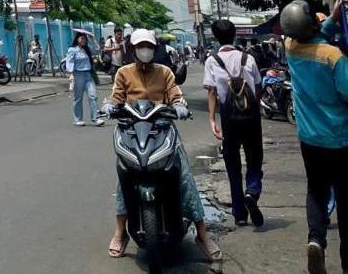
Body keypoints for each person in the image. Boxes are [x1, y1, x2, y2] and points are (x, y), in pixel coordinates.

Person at [107, 28, 221, 261]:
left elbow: (175, 95)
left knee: (185, 176)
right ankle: (120, 232)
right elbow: (116, 97)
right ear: (133, 49)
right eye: (140, 46)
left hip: (162, 129)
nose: (145, 50)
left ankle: (202, 234)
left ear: (154, 48)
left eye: (148, 46)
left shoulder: (165, 72)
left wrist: (179, 106)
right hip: (132, 131)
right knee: (124, 177)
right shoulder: (123, 73)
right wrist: (109, 106)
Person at [282, 0, 348, 274]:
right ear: (312, 23)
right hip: (339, 139)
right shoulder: (334, 57)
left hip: (309, 139)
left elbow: (310, 33)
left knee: (316, 191)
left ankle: (316, 240)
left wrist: (332, 19)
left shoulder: (290, 48)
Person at [203, 17, 264, 228]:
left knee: (232, 164)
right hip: (251, 117)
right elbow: (257, 88)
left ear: (215, 37)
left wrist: (212, 119)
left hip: (229, 118)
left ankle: (239, 213)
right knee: (254, 158)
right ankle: (252, 192)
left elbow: (212, 92)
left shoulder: (212, 60)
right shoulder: (248, 58)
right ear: (234, 34)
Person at [65, 31, 103, 127]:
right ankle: (78, 119)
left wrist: (93, 38)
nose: (84, 40)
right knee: (78, 98)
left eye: (85, 39)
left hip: (88, 75)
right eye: (82, 38)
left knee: (93, 95)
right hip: (78, 75)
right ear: (77, 39)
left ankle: (96, 118)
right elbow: (69, 62)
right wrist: (70, 74)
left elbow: (97, 49)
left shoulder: (87, 49)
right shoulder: (72, 50)